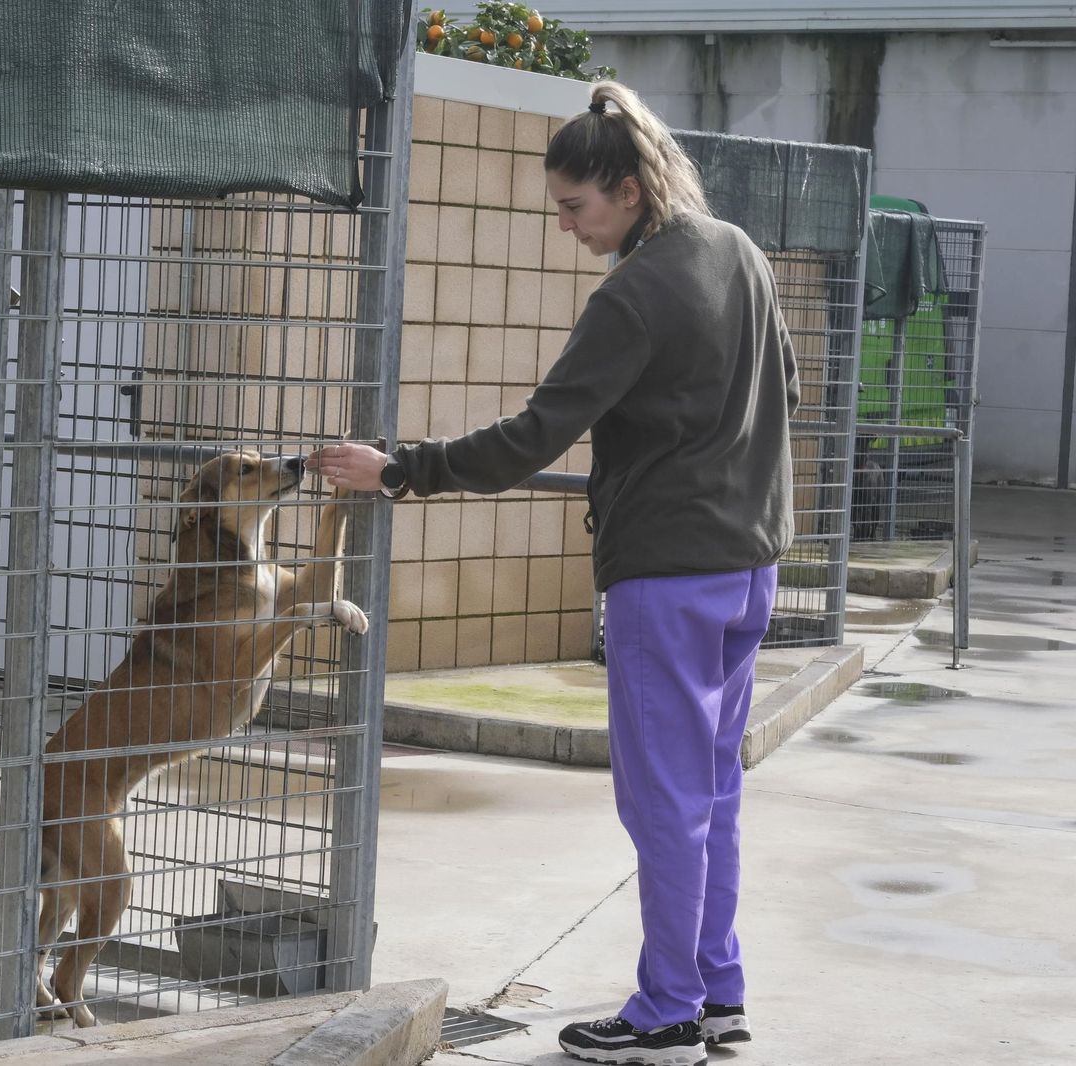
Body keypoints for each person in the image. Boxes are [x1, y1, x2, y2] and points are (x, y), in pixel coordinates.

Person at [307, 81, 799, 1066]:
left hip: (668, 571)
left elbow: (535, 435)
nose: (567, 227)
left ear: (625, 189)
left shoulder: (635, 290)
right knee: (710, 791)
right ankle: (715, 993)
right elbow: (783, 385)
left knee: (661, 800)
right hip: (750, 569)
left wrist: (399, 467)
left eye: (575, 207)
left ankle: (663, 1014)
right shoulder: (738, 251)